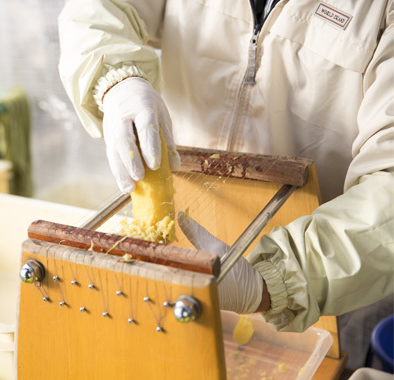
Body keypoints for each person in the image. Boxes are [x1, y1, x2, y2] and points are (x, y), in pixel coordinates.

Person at [57, 0, 393, 369]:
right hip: (184, 234)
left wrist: (276, 279)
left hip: (329, 281)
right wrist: (119, 80)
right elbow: (101, 9)